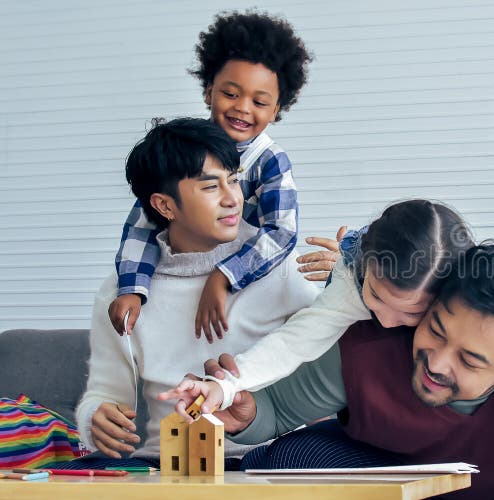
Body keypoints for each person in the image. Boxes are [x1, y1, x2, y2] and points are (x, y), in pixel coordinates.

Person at [163, 242, 494, 499]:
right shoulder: (372, 335)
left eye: (471, 359)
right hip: (392, 481)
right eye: (436, 330)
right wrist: (248, 414)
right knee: (279, 462)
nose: (437, 363)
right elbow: (275, 411)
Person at [162, 200, 494, 488]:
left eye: (410, 314)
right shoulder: (353, 283)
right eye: (378, 299)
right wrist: (225, 386)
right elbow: (294, 341)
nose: (386, 320)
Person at [60, 118, 319, 469]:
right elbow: (107, 392)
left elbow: (336, 358)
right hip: (163, 463)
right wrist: (95, 417)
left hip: (264, 460)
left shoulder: (276, 267)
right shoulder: (123, 291)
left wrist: (348, 274)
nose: (233, 199)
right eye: (211, 188)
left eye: (234, 180)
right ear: (165, 206)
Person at [109, 11, 313, 342]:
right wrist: (132, 288)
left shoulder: (270, 160)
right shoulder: (184, 151)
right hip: (182, 276)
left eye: (259, 101)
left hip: (247, 286)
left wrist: (224, 275)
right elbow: (142, 223)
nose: (243, 108)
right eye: (231, 94)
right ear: (208, 91)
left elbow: (281, 232)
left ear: (276, 110)